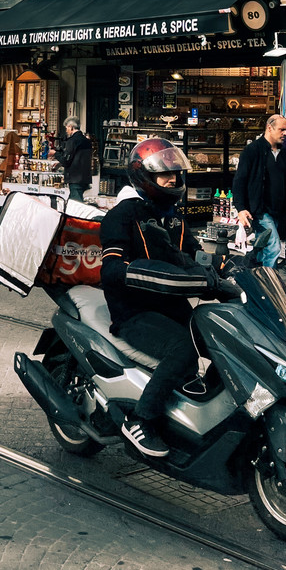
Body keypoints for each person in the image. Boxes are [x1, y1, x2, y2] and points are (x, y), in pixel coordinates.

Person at [100, 138, 219, 460]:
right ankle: (141, 420)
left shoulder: (174, 217)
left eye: (177, 175)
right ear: (143, 177)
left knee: (224, 337)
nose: (173, 181)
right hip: (133, 312)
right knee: (183, 349)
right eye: (166, 176)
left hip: (174, 306)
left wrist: (229, 269)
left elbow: (194, 253)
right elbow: (111, 269)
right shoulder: (123, 216)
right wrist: (158, 276)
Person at [232, 114, 286, 267]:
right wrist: (240, 208)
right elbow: (239, 181)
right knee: (274, 247)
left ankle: (252, 276)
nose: (285, 133)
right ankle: (269, 282)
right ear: (269, 128)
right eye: (282, 130)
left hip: (278, 210)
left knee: (262, 247)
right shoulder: (252, 151)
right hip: (260, 211)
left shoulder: (283, 153)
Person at [56, 118, 93, 202]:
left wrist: (55, 154)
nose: (66, 130)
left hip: (75, 178)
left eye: (67, 128)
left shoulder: (72, 141)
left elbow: (66, 160)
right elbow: (77, 157)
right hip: (85, 177)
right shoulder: (87, 141)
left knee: (76, 205)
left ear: (71, 127)